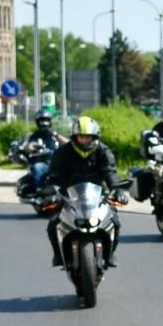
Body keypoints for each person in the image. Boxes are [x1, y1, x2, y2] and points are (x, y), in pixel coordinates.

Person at [46, 115, 128, 269]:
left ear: (94, 137)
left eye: (87, 137)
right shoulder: (63, 152)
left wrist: (117, 189)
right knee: (53, 223)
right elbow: (54, 175)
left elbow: (110, 172)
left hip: (97, 196)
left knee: (115, 221)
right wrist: (51, 191)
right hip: (68, 195)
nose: (84, 140)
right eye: (81, 137)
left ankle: (110, 254)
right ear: (74, 137)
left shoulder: (103, 151)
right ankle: (58, 255)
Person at [19, 109, 63, 193]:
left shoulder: (54, 134)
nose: (44, 123)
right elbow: (29, 146)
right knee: (38, 167)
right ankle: (40, 190)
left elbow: (68, 143)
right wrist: (33, 147)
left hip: (57, 162)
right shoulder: (34, 135)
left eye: (46, 120)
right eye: (41, 120)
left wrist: (57, 136)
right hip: (44, 163)